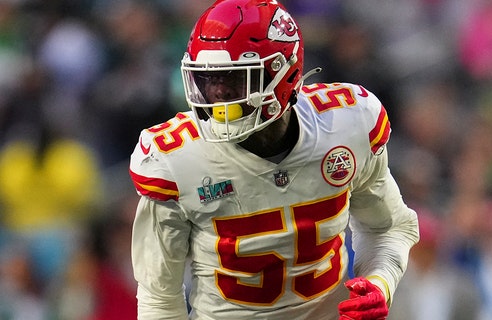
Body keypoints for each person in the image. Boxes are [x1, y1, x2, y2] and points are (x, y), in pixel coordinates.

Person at [128, 0, 420, 319]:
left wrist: (380, 282)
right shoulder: (174, 159)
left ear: (285, 73)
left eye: (235, 80)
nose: (219, 96)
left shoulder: (347, 125)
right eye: (209, 81)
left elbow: (387, 227)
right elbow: (159, 298)